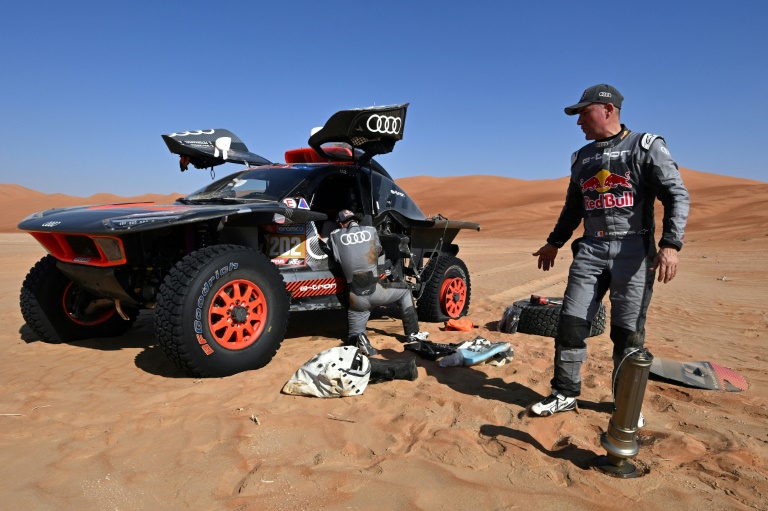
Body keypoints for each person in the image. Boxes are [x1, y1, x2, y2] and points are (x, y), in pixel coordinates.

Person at [530, 84, 690, 420]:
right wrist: (554, 242)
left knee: (627, 333)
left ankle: (626, 404)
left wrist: (670, 245)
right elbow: (573, 208)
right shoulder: (582, 157)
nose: (578, 123)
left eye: (583, 113)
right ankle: (564, 393)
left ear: (607, 110)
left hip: (634, 249)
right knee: (571, 323)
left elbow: (676, 195)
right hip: (590, 249)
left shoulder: (646, 146)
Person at [328, 209, 428, 356]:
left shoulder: (335, 235)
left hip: (356, 299)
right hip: (376, 291)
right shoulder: (370, 230)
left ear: (341, 224)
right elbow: (378, 250)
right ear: (356, 220)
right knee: (405, 291)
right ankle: (412, 334)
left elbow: (335, 256)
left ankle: (359, 341)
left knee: (354, 338)